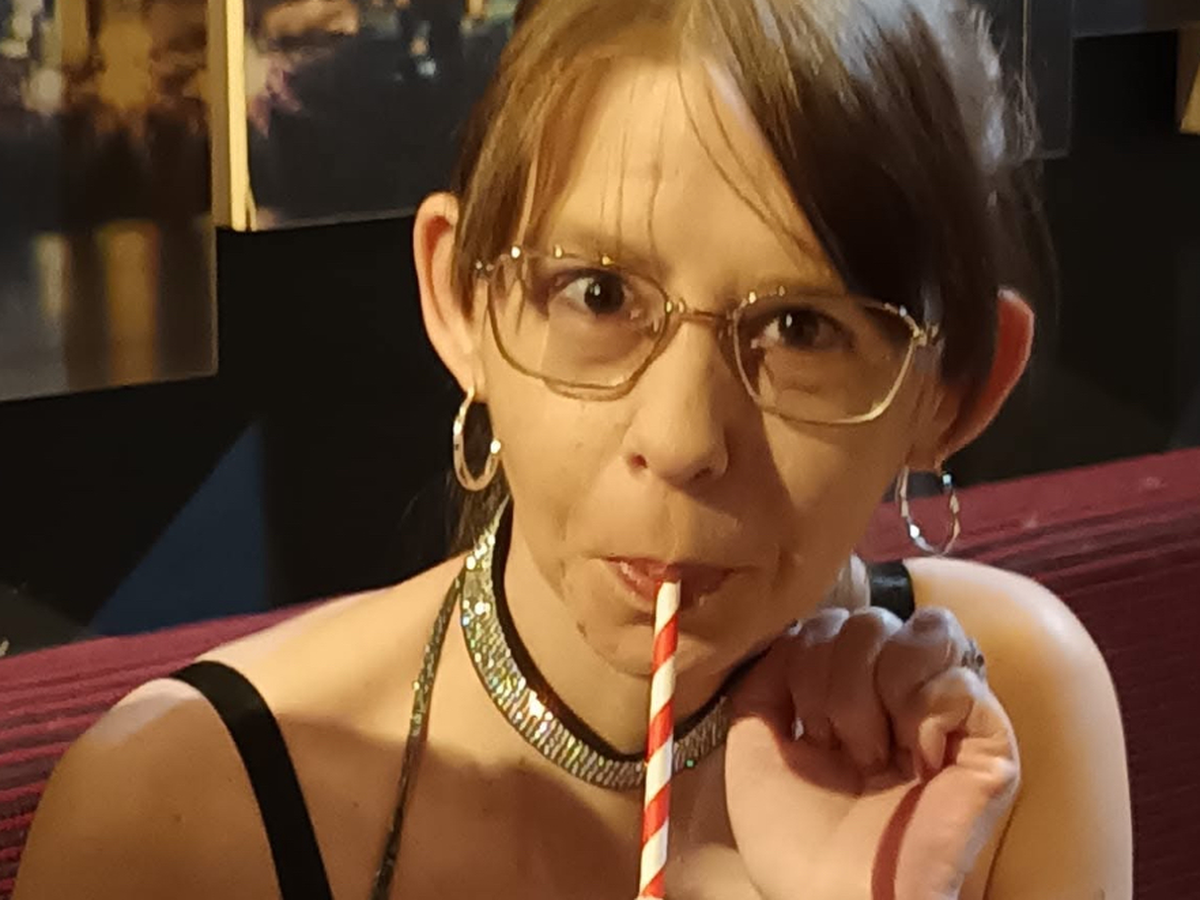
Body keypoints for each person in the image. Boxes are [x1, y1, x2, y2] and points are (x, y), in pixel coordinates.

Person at [13, 0, 1132, 897]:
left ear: (951, 392)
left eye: (802, 327)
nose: (682, 441)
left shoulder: (1003, 727)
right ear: (463, 302)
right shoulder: (177, 815)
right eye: (598, 294)